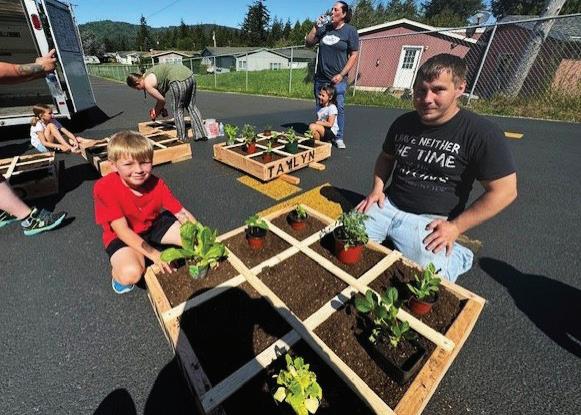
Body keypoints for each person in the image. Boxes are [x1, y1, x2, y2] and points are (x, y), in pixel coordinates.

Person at [356, 54, 518, 282]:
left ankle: (458, 256)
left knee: (426, 279)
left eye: (438, 90)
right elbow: (386, 157)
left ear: (460, 88)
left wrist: (455, 227)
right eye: (421, 90)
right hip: (388, 206)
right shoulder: (403, 123)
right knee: (346, 237)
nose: (426, 99)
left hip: (430, 220)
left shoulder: (481, 133)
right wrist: (377, 189)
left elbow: (505, 191)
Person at [93, 131, 197, 294]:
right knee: (132, 273)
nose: (139, 170)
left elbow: (181, 212)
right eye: (128, 164)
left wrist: (201, 235)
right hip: (122, 236)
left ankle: (154, 249)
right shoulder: (104, 187)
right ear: (113, 165)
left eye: (145, 162)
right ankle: (118, 272)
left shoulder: (157, 183)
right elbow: (122, 230)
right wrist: (155, 255)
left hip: (152, 226)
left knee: (194, 240)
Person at [0, 49, 67, 235]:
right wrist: (39, 67)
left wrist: (39, 69)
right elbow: (8, 73)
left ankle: (7, 211)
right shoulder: (39, 126)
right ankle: (29, 220)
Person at [305, 1, 359, 149]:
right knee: (321, 106)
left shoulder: (350, 31)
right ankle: (323, 136)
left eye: (336, 10)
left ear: (344, 14)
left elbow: (354, 55)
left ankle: (338, 137)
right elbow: (308, 43)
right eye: (332, 9)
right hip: (321, 78)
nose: (332, 12)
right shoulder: (324, 28)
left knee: (338, 107)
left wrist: (341, 74)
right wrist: (315, 27)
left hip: (337, 80)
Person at [126, 64, 206, 143]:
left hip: (177, 80)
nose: (138, 90)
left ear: (137, 82)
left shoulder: (147, 84)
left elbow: (162, 101)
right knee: (191, 106)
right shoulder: (149, 74)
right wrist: (159, 109)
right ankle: (201, 134)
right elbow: (161, 95)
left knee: (177, 109)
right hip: (190, 75)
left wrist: (156, 111)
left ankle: (182, 137)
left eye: (137, 88)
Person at [30, 104, 96, 153]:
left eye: (52, 112)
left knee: (76, 139)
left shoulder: (52, 120)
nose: (53, 115)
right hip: (43, 146)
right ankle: (70, 147)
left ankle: (96, 142)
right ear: (41, 115)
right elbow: (44, 143)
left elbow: (66, 132)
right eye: (50, 113)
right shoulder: (38, 125)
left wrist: (75, 140)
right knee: (51, 125)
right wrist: (60, 146)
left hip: (50, 140)